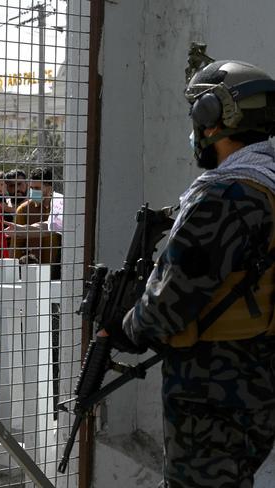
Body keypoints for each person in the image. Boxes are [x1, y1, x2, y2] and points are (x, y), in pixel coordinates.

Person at [105, 58, 275, 487]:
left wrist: (125, 327)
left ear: (213, 119)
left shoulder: (225, 195)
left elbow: (170, 301)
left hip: (214, 387)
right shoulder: (267, 183)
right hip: (257, 377)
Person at [12, 167, 62, 279]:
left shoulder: (60, 208)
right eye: (31, 188)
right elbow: (16, 246)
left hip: (57, 272)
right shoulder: (24, 210)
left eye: (37, 188)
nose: (33, 191)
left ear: (49, 189)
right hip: (30, 273)